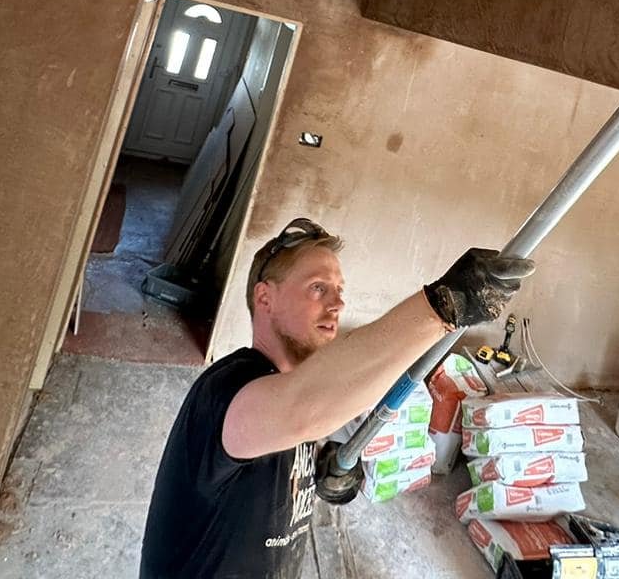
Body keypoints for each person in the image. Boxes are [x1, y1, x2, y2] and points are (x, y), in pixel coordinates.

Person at [139, 216, 534, 579]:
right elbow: (306, 408)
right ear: (265, 298)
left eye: (339, 291)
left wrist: (321, 469)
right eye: (318, 288)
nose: (338, 303)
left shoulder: (287, 395)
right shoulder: (226, 390)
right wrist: (444, 307)